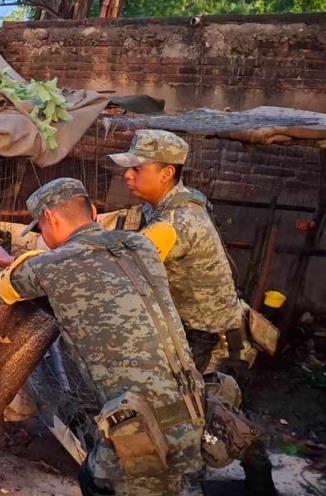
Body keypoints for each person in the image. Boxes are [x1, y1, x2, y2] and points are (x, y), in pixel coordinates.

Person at [0, 178, 205, 495]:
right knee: (102, 477)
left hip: (145, 428)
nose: (43, 238)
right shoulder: (138, 246)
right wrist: (17, 265)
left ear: (51, 219)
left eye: (40, 230)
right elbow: (76, 282)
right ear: (94, 212)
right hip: (190, 409)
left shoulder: (55, 264)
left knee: (104, 484)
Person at [108, 129, 276, 494]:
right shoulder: (173, 204)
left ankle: (241, 472)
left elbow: (126, 268)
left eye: (137, 168)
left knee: (188, 414)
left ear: (166, 173)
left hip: (212, 339)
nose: (128, 175)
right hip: (205, 331)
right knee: (204, 409)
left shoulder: (178, 222)